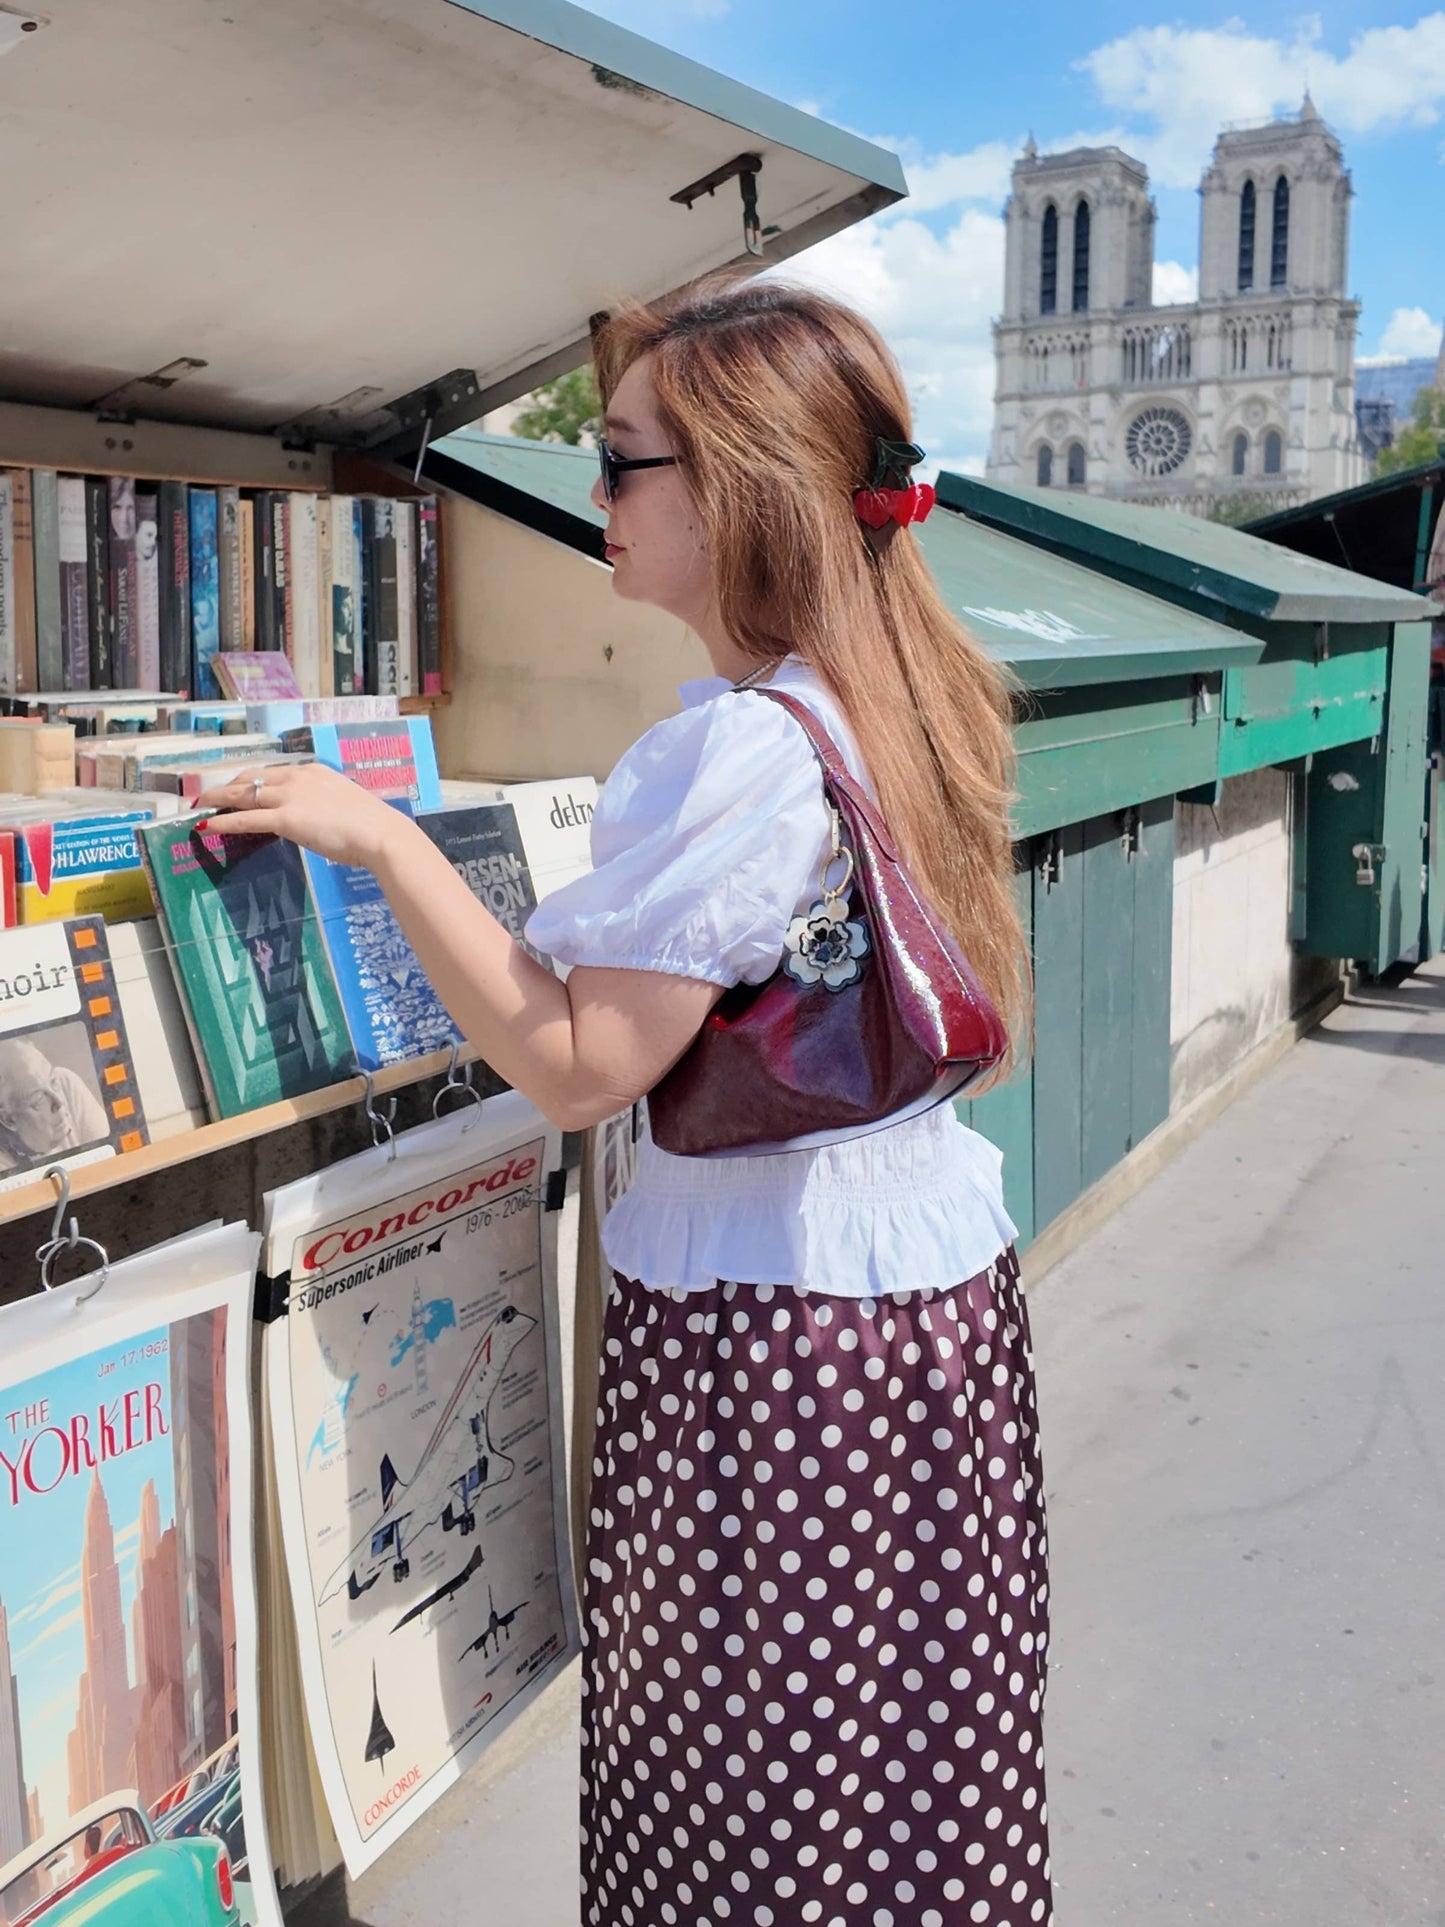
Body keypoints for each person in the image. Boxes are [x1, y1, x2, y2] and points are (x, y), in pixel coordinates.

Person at [197, 275, 1051, 1927]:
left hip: (776, 1344)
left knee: (747, 1800)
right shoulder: (889, 694)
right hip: (905, 1318)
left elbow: (583, 1067)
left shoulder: (742, 749)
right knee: (891, 1777)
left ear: (734, 491)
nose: (595, 492)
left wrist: (375, 840)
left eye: (619, 460)